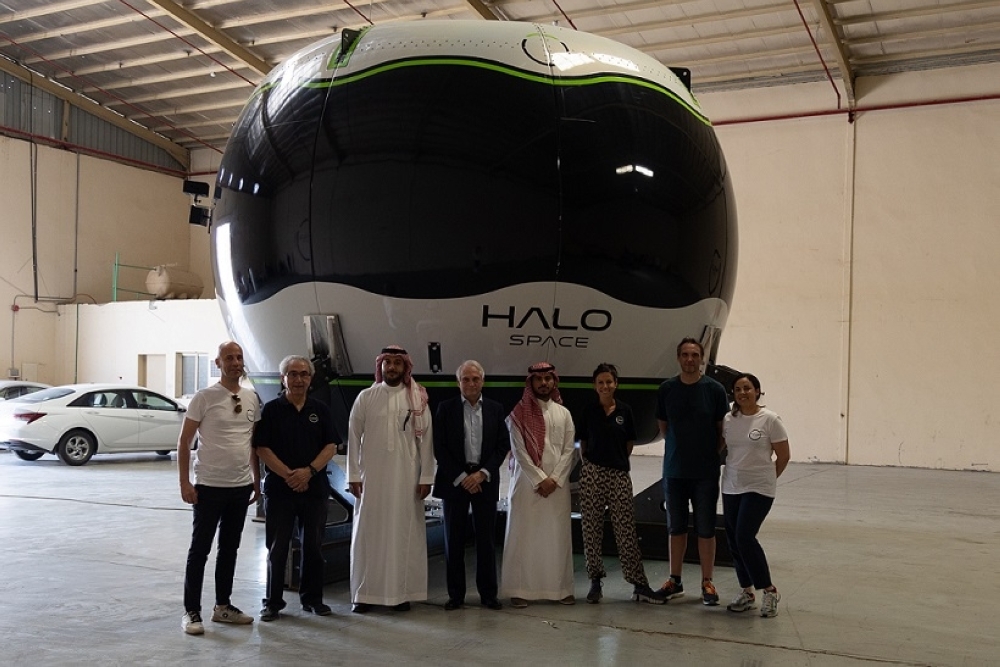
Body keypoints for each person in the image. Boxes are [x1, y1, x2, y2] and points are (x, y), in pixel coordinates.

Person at [178, 340, 261, 635]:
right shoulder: (204, 397)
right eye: (229, 357)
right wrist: (185, 482)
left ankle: (222, 607)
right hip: (209, 487)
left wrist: (256, 480)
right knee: (200, 550)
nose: (235, 362)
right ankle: (191, 611)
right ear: (218, 363)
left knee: (230, 549)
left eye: (239, 357)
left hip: (240, 488)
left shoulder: (252, 398)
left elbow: (252, 444)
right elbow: (184, 442)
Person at [347, 345, 435, 613]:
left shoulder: (417, 400)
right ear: (381, 366)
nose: (392, 367)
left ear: (405, 367)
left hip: (406, 479)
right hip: (371, 479)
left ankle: (401, 593)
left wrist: (426, 476)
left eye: (398, 363)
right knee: (368, 534)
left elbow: (427, 441)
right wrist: (352, 475)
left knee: (403, 533)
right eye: (388, 363)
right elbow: (352, 437)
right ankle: (364, 593)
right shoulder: (366, 397)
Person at [253, 355, 340, 621]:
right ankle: (273, 602)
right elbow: (262, 448)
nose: (298, 379)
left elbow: (331, 446)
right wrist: (290, 476)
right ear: (283, 378)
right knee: (277, 548)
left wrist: (308, 472)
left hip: (314, 489)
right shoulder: (271, 410)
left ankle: (312, 600)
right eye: (292, 374)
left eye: (303, 374)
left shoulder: (321, 410)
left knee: (313, 546)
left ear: (310, 379)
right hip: (280, 490)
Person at [578, 363, 666, 605]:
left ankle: (639, 584)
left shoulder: (625, 411)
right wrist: (590, 468)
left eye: (609, 381)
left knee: (625, 529)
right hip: (593, 474)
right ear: (595, 386)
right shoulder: (589, 411)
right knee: (591, 529)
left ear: (616, 384)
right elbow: (583, 444)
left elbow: (628, 444)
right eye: (600, 382)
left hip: (619, 475)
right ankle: (595, 581)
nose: (605, 386)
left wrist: (615, 463)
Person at [655, 337, 729, 605]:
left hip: (705, 473)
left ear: (702, 358)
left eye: (695, 355)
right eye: (685, 354)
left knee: (706, 528)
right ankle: (674, 580)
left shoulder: (715, 390)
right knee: (676, 528)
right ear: (678, 358)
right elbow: (664, 427)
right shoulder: (667, 389)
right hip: (674, 472)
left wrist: (709, 453)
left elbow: (723, 431)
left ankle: (707, 582)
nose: (690, 359)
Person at [432, 360, 510, 611]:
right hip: (454, 480)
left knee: (486, 540)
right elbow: (439, 448)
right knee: (452, 540)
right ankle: (456, 595)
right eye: (466, 379)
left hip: (484, 481)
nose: (471, 383)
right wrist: (462, 476)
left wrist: (482, 474)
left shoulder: (496, 410)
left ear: (483, 381)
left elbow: (502, 446)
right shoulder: (445, 408)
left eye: (476, 379)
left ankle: (488, 594)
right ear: (458, 383)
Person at [500, 361, 576, 608]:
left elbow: (569, 451)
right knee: (524, 536)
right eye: (538, 379)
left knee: (557, 537)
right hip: (527, 485)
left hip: (557, 487)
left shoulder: (564, 414)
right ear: (530, 383)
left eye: (548, 379)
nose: (544, 383)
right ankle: (521, 589)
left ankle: (560, 589)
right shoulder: (517, 414)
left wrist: (554, 479)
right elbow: (519, 452)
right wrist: (540, 479)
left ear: (554, 382)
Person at [721, 373, 790, 618]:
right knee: (733, 540)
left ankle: (769, 590)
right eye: (738, 389)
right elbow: (719, 447)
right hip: (731, 486)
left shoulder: (770, 419)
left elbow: (783, 455)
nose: (743, 393)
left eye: (747, 388)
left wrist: (768, 479)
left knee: (745, 537)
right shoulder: (729, 419)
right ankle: (746, 591)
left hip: (759, 488)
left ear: (757, 391)